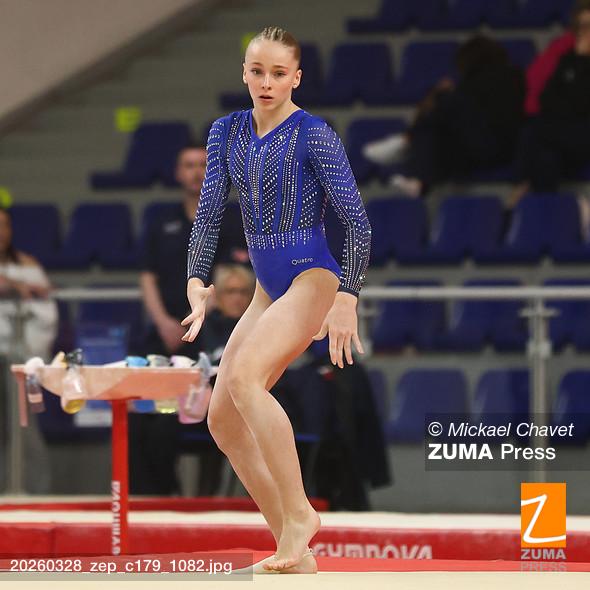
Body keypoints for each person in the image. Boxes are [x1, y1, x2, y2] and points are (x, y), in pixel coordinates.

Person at [181, 27, 371, 573]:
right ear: (244, 73)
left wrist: (347, 296)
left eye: (279, 73)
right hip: (267, 287)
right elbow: (209, 214)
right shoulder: (227, 132)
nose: (267, 82)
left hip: (312, 277)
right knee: (222, 419)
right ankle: (293, 544)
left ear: (296, 78)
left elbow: (357, 224)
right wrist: (196, 279)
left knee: (245, 380)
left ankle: (301, 514)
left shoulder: (315, 135)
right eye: (257, 71)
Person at [129, 143, 249, 496]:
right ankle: (152, 496)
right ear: (178, 172)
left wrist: (199, 316)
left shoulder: (232, 220)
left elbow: (235, 277)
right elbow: (147, 275)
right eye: (189, 164)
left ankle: (192, 496)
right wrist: (164, 322)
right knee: (141, 414)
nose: (197, 171)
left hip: (211, 332)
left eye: (204, 164)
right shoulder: (160, 220)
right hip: (165, 332)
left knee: (175, 419)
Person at [364, 35, 525, 198]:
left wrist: (440, 94)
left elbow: (467, 113)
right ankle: (417, 174)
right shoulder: (513, 76)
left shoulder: (492, 81)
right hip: (498, 149)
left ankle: (407, 144)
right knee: (436, 127)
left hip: (496, 148)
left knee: (441, 112)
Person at [182, 264, 256, 496]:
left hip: (250, 405)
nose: (237, 298)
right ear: (218, 296)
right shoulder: (203, 325)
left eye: (243, 292)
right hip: (206, 406)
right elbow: (190, 366)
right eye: (230, 292)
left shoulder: (261, 325)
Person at [512, 0, 590, 203]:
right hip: (566, 134)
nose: (585, 32)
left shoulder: (577, 60)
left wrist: (582, 62)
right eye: (581, 26)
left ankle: (519, 186)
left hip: (580, 131)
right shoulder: (568, 59)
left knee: (535, 129)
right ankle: (546, 212)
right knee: (546, 157)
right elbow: (546, 98)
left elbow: (582, 103)